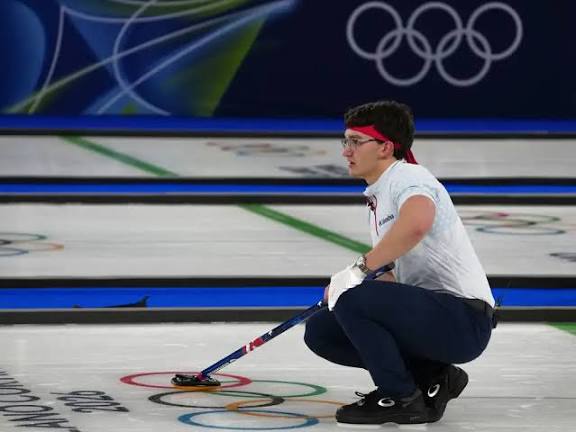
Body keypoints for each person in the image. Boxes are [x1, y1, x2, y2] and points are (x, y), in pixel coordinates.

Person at [303, 100, 496, 426]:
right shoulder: (379, 196)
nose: (346, 151)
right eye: (345, 141)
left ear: (385, 147)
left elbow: (417, 223)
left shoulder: (407, 176)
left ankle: (400, 396)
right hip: (434, 316)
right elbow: (393, 281)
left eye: (356, 141)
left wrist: (356, 273)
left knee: (352, 297)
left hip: (464, 320)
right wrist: (344, 292)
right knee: (322, 330)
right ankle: (432, 376)